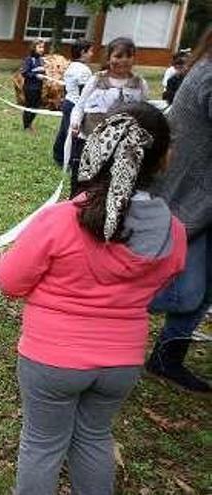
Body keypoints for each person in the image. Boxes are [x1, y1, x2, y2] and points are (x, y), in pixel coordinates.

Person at [0, 102, 186, 495]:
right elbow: (159, 287)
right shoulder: (175, 233)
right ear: (163, 160)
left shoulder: (59, 220)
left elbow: (11, 282)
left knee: (42, 444)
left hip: (51, 358)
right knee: (95, 438)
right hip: (121, 361)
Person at [145, 27, 212, 393]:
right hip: (188, 199)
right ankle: (98, 311)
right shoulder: (209, 73)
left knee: (203, 291)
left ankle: (168, 356)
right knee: (186, 291)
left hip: (201, 201)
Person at [69, 37, 148, 198]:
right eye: (118, 56)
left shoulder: (139, 84)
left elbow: (144, 113)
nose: (123, 61)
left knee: (107, 183)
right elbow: (79, 106)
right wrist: (75, 122)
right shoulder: (96, 80)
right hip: (91, 139)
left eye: (129, 56)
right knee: (84, 181)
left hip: (120, 145)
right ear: (109, 58)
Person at [53, 39, 93, 166]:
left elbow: (66, 87)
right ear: (83, 52)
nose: (92, 54)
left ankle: (58, 155)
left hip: (68, 102)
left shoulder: (71, 66)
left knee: (64, 131)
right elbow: (84, 92)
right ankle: (69, 160)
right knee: (73, 134)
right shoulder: (84, 70)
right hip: (76, 105)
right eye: (90, 51)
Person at [21, 39, 46, 133]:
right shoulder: (29, 59)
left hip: (38, 87)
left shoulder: (41, 60)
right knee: (29, 106)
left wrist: (44, 75)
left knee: (36, 107)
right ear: (33, 47)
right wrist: (35, 75)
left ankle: (30, 123)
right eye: (39, 47)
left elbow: (42, 71)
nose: (42, 49)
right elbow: (24, 72)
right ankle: (26, 126)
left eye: (43, 47)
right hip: (30, 88)